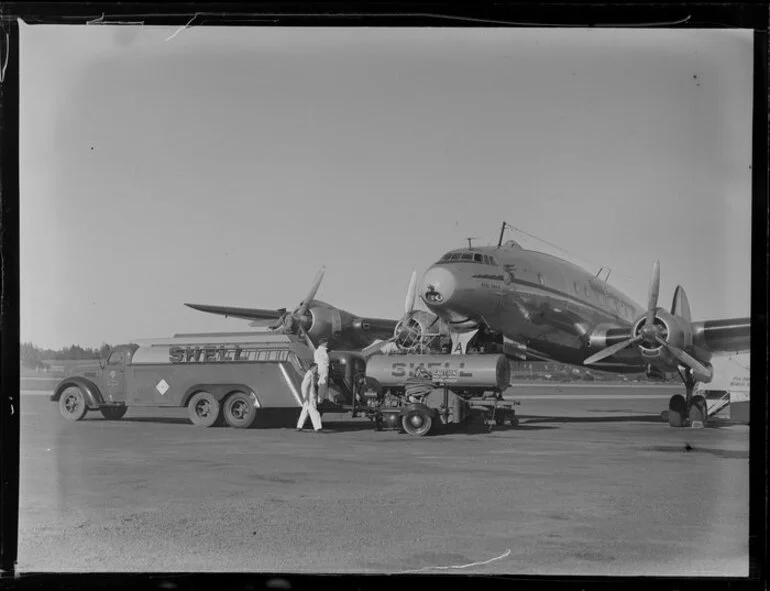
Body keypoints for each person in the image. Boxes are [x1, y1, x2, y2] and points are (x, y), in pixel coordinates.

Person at [296, 363, 323, 432]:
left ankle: (299, 426)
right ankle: (317, 427)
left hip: (310, 396)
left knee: (305, 412)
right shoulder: (309, 375)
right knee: (314, 412)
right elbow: (304, 386)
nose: (317, 369)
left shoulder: (311, 375)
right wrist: (305, 396)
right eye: (316, 368)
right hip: (309, 397)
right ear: (312, 368)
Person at [314, 339, 331, 403]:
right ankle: (321, 399)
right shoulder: (323, 351)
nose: (327, 344)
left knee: (320, 383)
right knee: (323, 383)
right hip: (324, 368)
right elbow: (326, 360)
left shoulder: (316, 351)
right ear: (323, 343)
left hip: (319, 368)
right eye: (326, 343)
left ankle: (319, 398)